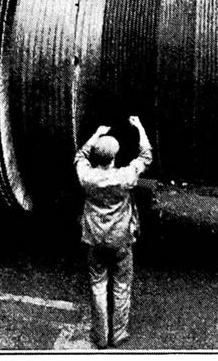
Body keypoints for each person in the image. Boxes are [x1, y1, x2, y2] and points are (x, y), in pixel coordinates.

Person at [74, 115, 153, 349]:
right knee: (121, 286)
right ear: (115, 156)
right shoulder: (124, 177)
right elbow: (146, 155)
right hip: (121, 240)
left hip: (95, 239)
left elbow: (80, 156)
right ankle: (118, 334)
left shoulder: (86, 176)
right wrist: (139, 127)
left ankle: (100, 336)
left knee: (98, 286)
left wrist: (96, 134)